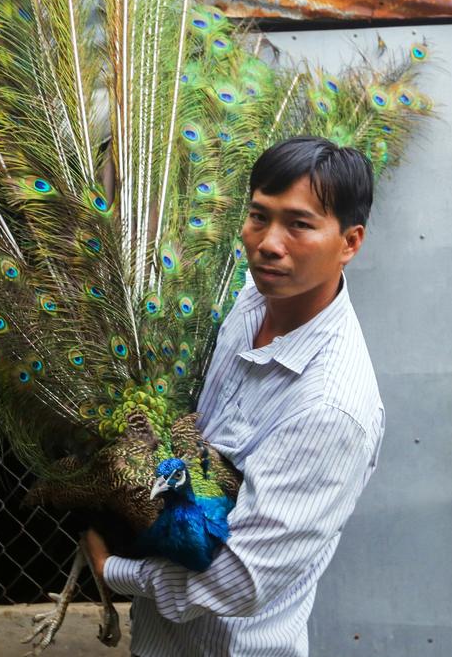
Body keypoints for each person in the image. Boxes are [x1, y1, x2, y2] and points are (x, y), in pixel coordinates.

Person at [83, 135, 385, 656]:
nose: (268, 242)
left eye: (299, 224)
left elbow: (238, 583)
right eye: (259, 216)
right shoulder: (253, 297)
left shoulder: (330, 410)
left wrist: (115, 571)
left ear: (350, 242)